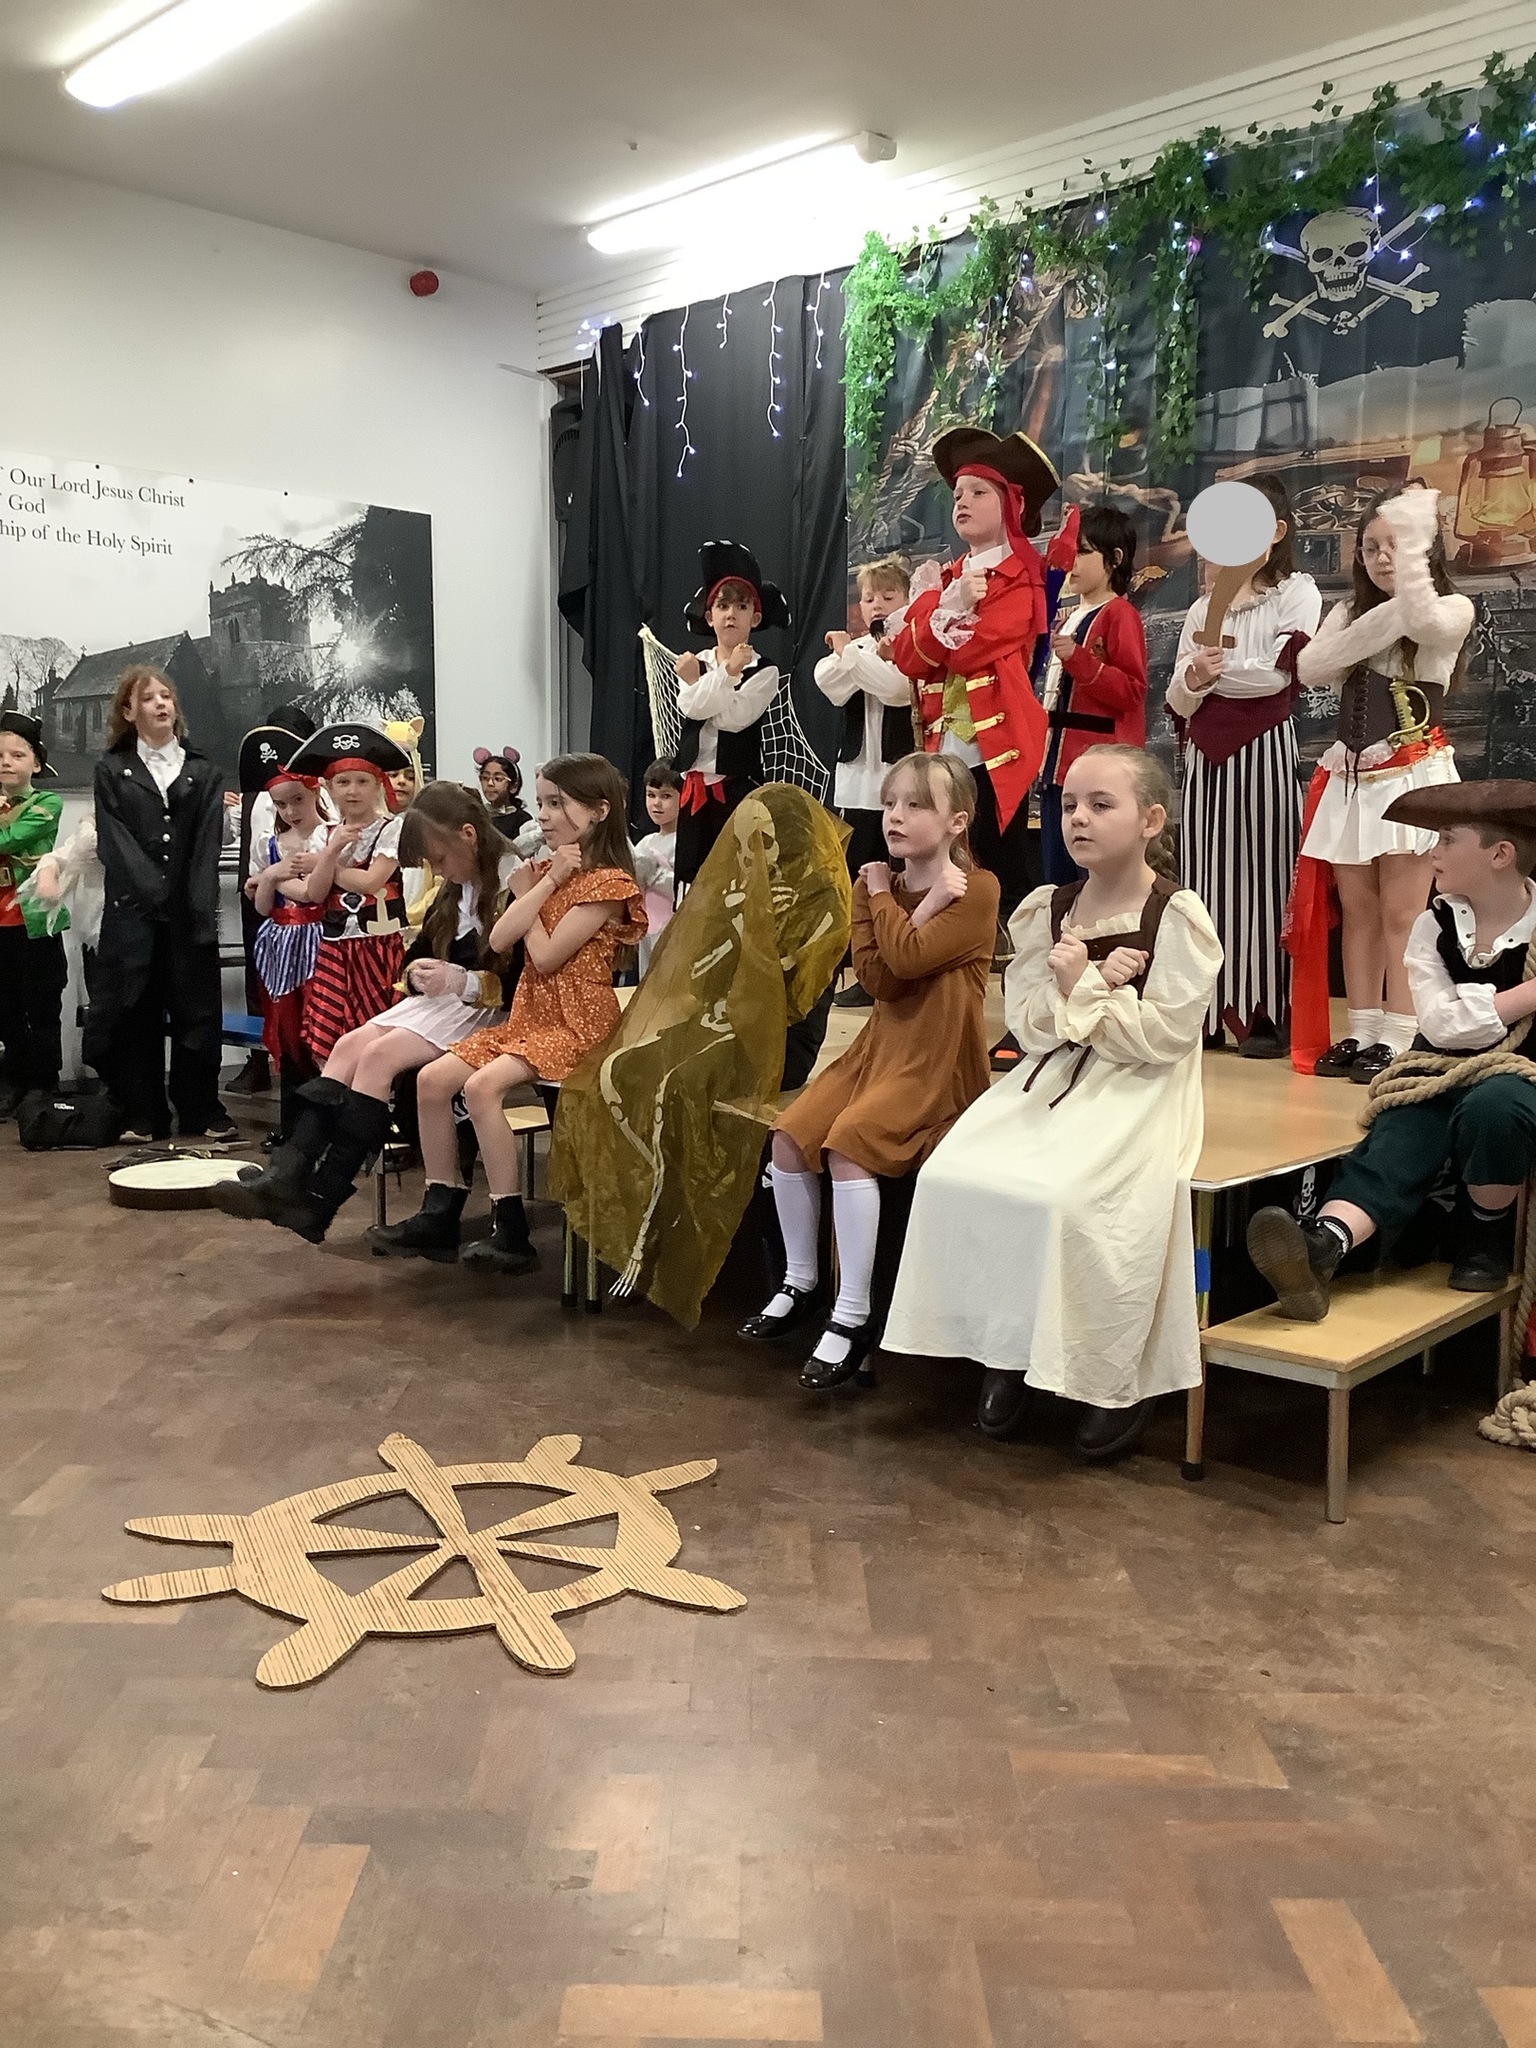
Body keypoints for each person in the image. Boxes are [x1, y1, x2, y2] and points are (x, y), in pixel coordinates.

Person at [883, 745, 1223, 1460]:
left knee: (1068, 1198)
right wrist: (1080, 990)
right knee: (955, 1173)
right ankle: (1006, 1347)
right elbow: (1032, 1024)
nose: (1078, 819)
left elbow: (1163, 1037)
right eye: (1069, 805)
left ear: (1150, 820)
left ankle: (1110, 1378)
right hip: (1054, 1076)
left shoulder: (1175, 915)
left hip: (1136, 1088)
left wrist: (1085, 986)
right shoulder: (1049, 908)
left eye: (1101, 805)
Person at [739, 754, 999, 1387]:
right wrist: (908, 902)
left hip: (935, 1059)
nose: (895, 817)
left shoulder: (978, 888)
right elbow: (879, 979)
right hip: (879, 1050)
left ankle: (852, 1312)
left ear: (958, 821)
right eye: (889, 803)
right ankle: (801, 1280)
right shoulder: (872, 885)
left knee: (851, 1144)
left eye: (916, 805)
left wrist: (889, 897)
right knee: (790, 1135)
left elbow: (907, 960)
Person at [1249, 781, 1536, 1317]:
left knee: (1495, 1106)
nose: (1433, 851)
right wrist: (1527, 995)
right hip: (1438, 1064)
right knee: (1405, 1125)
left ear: (1500, 855)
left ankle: (1484, 1237)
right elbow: (1442, 1026)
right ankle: (1325, 1245)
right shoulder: (1434, 924)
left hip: (1518, 1076)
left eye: (1448, 840)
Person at [215, 783, 519, 1244]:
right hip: (444, 1001)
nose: (438, 870)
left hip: (488, 1008)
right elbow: (421, 949)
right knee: (348, 1045)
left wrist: (462, 982)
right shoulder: (457, 886)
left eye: (439, 859)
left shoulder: (512, 883)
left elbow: (520, 977)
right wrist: (415, 971)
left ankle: (322, 1199)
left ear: (469, 835)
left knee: (378, 1058)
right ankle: (288, 1174)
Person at [409, 753, 646, 1273]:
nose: (543, 815)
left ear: (599, 810)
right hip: (533, 1014)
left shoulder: (610, 884)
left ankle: (510, 1225)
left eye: (557, 803)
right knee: (432, 1080)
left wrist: (535, 892)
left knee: (480, 1088)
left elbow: (547, 954)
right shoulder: (547, 871)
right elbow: (498, 939)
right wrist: (543, 884)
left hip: (578, 1018)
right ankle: (438, 1206)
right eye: (541, 803)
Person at [1292, 487, 1474, 1082]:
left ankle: (1399, 1034)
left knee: (1402, 912)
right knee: (1360, 911)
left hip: (1412, 774)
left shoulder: (1453, 607)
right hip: (1352, 778)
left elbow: (1421, 620)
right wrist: (1381, 614)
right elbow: (1312, 667)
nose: (1381, 557)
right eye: (1370, 547)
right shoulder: (1347, 611)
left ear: (1423, 548)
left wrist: (1405, 580)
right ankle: (1362, 1029)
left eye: (1395, 545)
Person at [1166, 474, 1321, 1057]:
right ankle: (1206, 1009)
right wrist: (1193, 681)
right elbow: (1177, 698)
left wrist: (1207, 677)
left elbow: (1278, 676)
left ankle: (1263, 1010)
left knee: (1265, 873)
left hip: (1264, 752)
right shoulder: (1201, 609)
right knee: (1203, 874)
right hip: (1205, 760)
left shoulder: (1296, 594)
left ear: (1275, 532)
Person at [890, 426, 1061, 919]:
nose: (962, 501)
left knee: (997, 868)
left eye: (978, 492)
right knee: (940, 866)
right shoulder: (945, 580)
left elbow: (968, 653)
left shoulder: (1023, 578)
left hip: (995, 750)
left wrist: (936, 612)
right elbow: (908, 659)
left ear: (1011, 504)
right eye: (958, 494)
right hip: (943, 748)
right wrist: (948, 604)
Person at [84, 664, 232, 1142]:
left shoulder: (203, 771)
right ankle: (143, 1113)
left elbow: (207, 844)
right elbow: (115, 842)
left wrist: (195, 905)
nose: (161, 704)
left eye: (166, 696)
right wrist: (154, 893)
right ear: (129, 711)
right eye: (148, 698)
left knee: (198, 1012)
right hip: (133, 912)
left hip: (190, 912)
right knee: (134, 1012)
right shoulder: (111, 770)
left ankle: (201, 1109)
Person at [815, 555, 918, 1011]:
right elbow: (828, 683)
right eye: (868, 597)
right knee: (859, 876)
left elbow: (897, 690)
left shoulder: (913, 645)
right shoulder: (858, 648)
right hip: (856, 782)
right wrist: (856, 658)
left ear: (908, 599)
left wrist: (850, 656)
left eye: (887, 596)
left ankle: (899, 963)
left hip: (899, 782)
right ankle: (864, 967)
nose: (876, 605)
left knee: (897, 877)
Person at [280, 723, 413, 1067]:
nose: (352, 791)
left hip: (379, 947)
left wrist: (325, 864)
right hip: (335, 947)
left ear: (378, 785)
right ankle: (337, 1096)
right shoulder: (323, 835)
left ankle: (376, 1097)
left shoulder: (391, 829)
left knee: (380, 1035)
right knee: (329, 1034)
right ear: (328, 787)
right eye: (343, 782)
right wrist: (329, 852)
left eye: (362, 782)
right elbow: (315, 892)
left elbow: (371, 881)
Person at [1037, 506, 1148, 885]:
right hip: (1058, 767)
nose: (1073, 561)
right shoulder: (1068, 616)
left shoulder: (1120, 614)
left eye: (1083, 552)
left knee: (1091, 875)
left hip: (1098, 768)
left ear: (1114, 558)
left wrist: (1081, 661)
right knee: (1058, 876)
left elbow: (1132, 691)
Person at [672, 540, 787, 891]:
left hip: (737, 787)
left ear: (755, 617)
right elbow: (691, 708)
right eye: (722, 606)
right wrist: (716, 678)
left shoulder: (764, 671)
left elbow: (732, 719)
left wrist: (722, 675)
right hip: (694, 788)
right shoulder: (696, 662)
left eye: (741, 606)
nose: (731, 614)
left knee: (736, 881)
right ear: (710, 617)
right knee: (691, 882)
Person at [239, 730, 331, 1143]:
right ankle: (293, 1124)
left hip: (318, 944)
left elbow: (315, 893)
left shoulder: (327, 838)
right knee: (287, 1034)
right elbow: (262, 907)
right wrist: (271, 876)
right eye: (281, 804)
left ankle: (322, 1125)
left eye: (298, 800)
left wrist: (270, 879)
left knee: (318, 1031)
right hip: (279, 946)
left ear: (315, 792)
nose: (290, 811)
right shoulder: (270, 845)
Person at [0, 712, 68, 1115]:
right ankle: (15, 1080)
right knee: (5, 1007)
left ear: (37, 764)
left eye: (17, 755)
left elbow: (10, 839)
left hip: (35, 921)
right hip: (0, 923)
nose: (6, 763)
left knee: (42, 1005)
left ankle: (45, 1082)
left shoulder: (47, 803)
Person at [633, 760, 681, 971]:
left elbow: (688, 889)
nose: (656, 803)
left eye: (666, 796)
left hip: (676, 931)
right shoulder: (645, 843)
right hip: (648, 930)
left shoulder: (685, 843)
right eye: (651, 795)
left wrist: (654, 873)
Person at [475, 746, 531, 843]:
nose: (490, 783)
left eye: (498, 779)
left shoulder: (523, 820)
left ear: (513, 786)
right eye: (485, 778)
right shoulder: (478, 816)